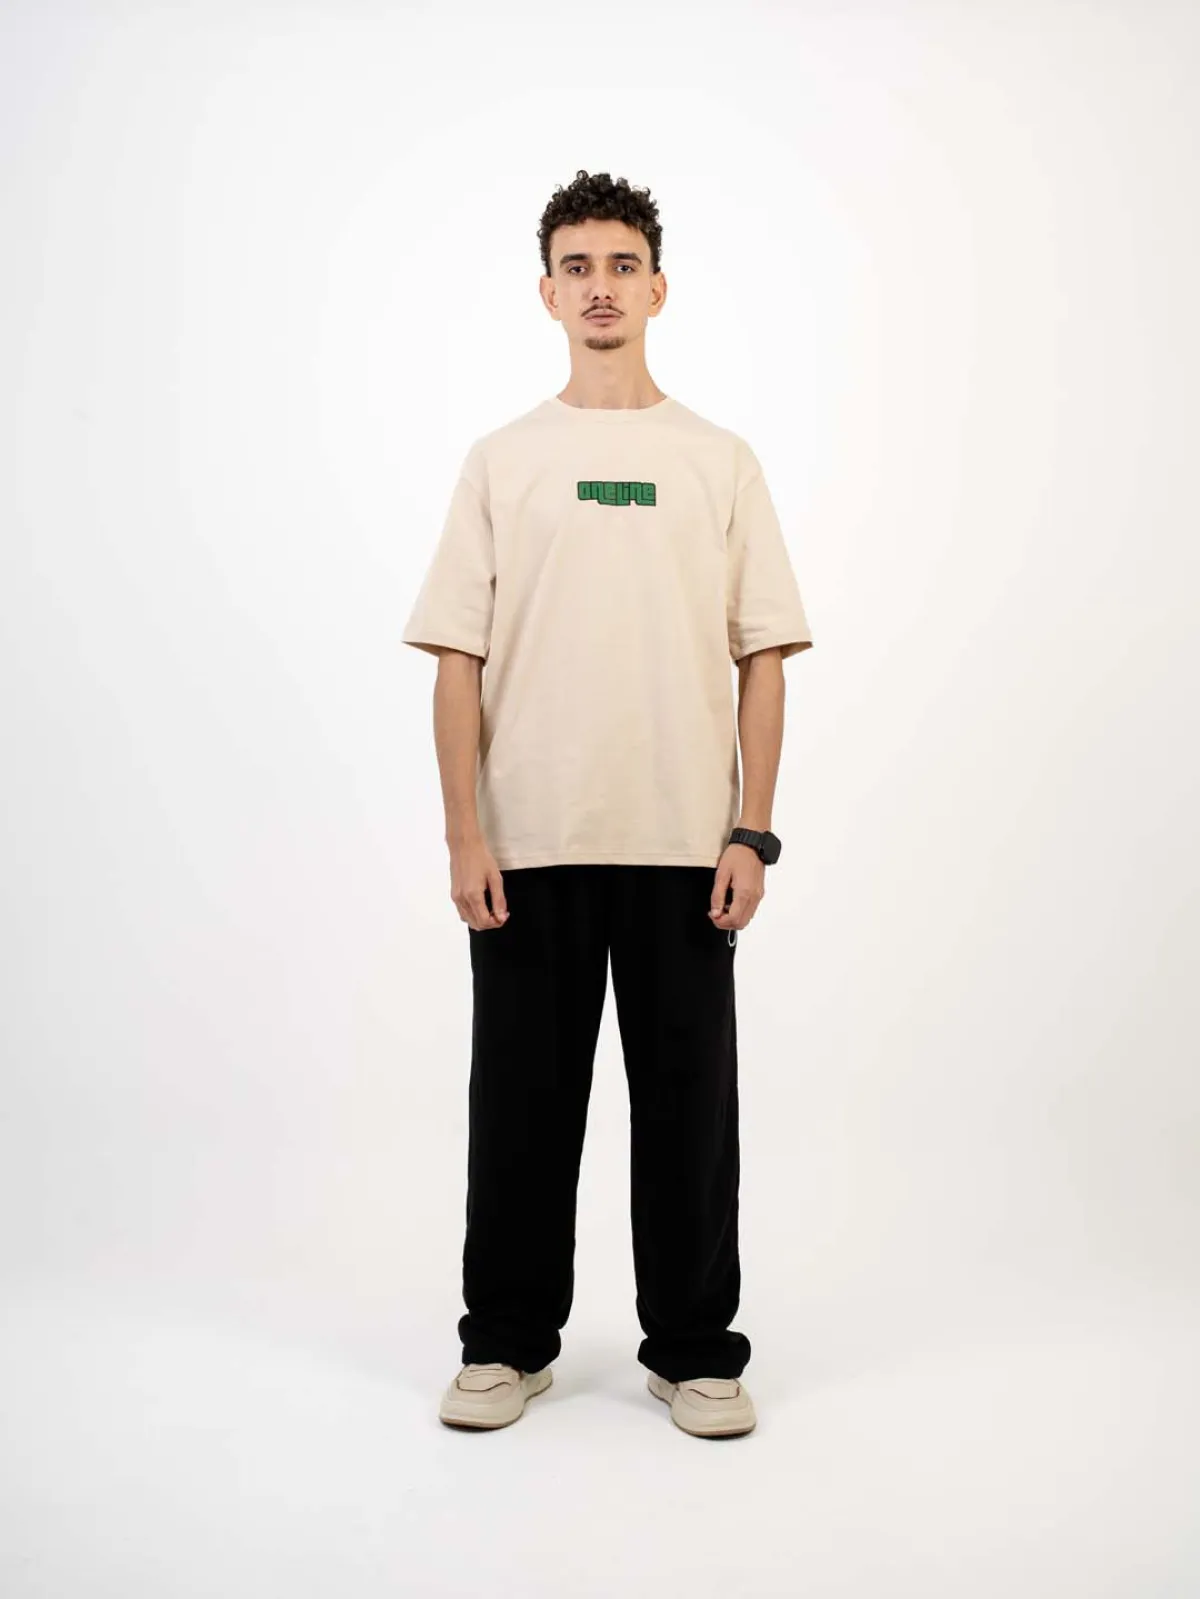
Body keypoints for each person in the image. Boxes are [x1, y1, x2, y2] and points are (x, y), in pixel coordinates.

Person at [401, 169, 813, 1438]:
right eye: (576, 267)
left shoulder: (717, 462)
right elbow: (456, 657)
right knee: (520, 1111)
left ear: (658, 288)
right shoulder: (504, 462)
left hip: (684, 843)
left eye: (621, 265)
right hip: (531, 843)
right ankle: (504, 1345)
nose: (600, 287)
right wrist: (466, 835)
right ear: (546, 293)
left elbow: (763, 655)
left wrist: (751, 830)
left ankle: (694, 1350)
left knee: (689, 1115)